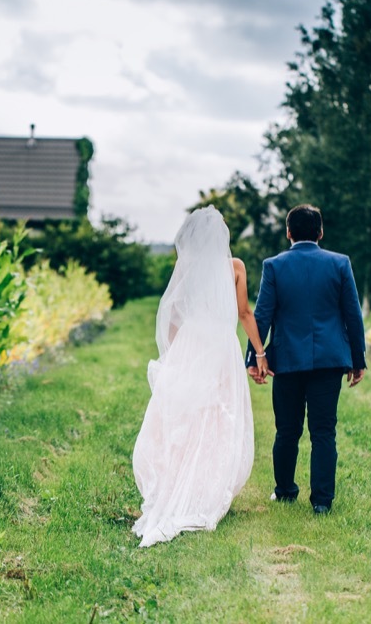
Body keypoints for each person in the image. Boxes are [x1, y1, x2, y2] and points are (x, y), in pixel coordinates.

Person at [132, 206, 267, 547]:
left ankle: (181, 483)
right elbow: (244, 312)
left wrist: (178, 353)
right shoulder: (234, 267)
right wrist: (260, 351)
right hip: (221, 345)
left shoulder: (186, 266)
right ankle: (204, 487)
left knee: (188, 415)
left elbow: (173, 311)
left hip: (192, 341)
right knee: (217, 415)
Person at [246, 204, 365, 515]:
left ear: (288, 233)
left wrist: (253, 356)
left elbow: (262, 314)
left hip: (285, 360)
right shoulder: (340, 264)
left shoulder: (274, 266)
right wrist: (358, 359)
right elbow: (353, 314)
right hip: (329, 361)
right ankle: (322, 502)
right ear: (321, 232)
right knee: (324, 431)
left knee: (287, 429)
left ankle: (285, 491)